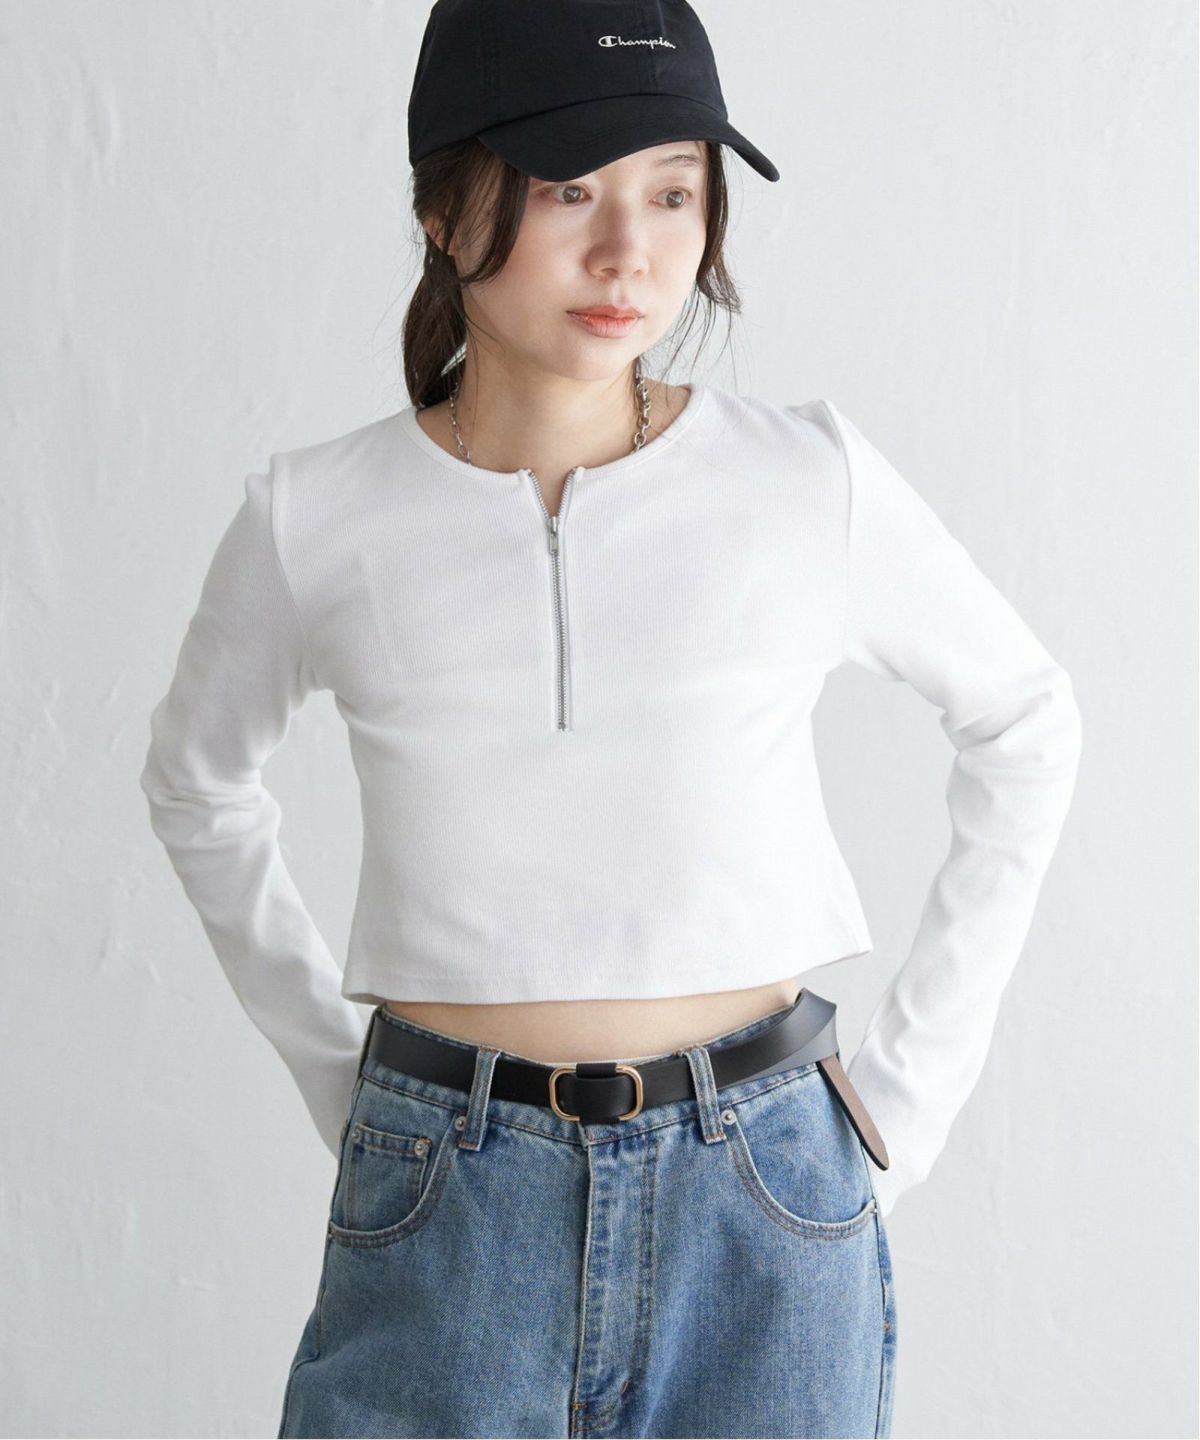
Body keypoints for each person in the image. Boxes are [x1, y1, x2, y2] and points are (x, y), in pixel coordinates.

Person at [138, 2, 1083, 1437]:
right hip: (446, 1198)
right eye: (570, 188)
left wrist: (908, 1094)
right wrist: (350, 1085)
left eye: (675, 192)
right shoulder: (314, 516)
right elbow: (196, 785)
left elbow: (1024, 719)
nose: (630, 250)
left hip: (766, 1199)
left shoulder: (802, 480)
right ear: (446, 207)